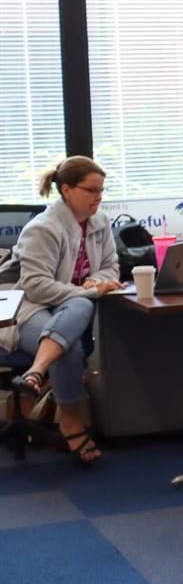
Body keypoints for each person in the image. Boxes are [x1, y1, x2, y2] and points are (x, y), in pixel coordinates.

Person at [3, 157, 119, 465]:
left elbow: (111, 267)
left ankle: (34, 374)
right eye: (91, 190)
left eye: (102, 190)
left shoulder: (100, 222)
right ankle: (72, 422)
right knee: (69, 339)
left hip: (70, 310)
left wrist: (98, 281)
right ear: (66, 190)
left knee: (78, 308)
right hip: (30, 310)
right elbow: (37, 287)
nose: (99, 198)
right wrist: (89, 290)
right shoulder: (42, 228)